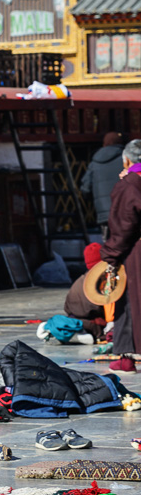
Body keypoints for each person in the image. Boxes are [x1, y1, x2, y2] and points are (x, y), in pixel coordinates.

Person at [102, 139, 141, 374]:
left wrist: (111, 255)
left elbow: (124, 224)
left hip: (136, 252)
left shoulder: (130, 184)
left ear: (127, 160)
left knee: (129, 301)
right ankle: (126, 357)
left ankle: (126, 358)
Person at [82, 131, 126, 240]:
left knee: (110, 247)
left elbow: (85, 189)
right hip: (126, 212)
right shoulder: (127, 161)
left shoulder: (94, 164)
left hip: (105, 215)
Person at [61, 243, 107, 342]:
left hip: (75, 322)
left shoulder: (79, 280)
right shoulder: (102, 282)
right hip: (94, 327)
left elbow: (67, 308)